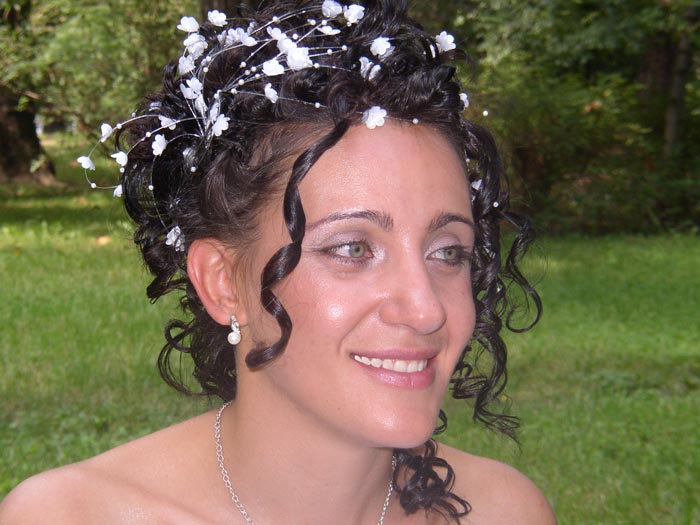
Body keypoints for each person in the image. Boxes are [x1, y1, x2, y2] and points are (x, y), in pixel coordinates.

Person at [0, 1, 556, 523]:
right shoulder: (67, 515)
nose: (426, 308)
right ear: (222, 283)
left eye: (448, 252)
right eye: (352, 249)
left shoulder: (506, 512)